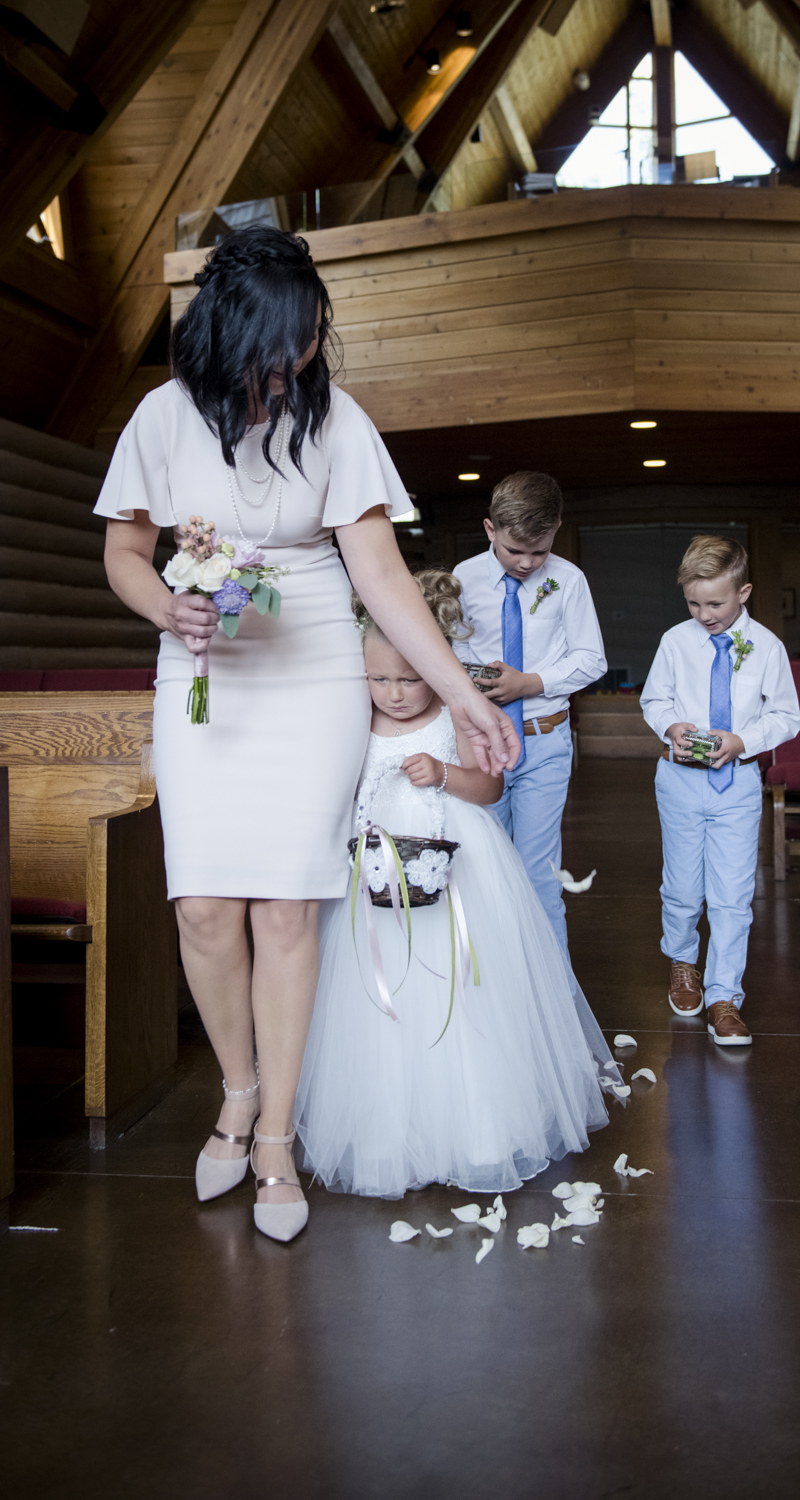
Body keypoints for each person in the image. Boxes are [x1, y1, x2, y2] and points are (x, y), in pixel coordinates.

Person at [95, 227, 517, 1243]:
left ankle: (277, 1131)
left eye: (312, 342)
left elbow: (377, 572)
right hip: (204, 673)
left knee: (286, 910)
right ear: (232, 334)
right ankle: (234, 1090)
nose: (301, 363)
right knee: (202, 906)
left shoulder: (334, 418)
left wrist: (464, 696)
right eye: (286, 346)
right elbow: (124, 550)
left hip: (313, 663)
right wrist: (166, 608)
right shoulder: (160, 418)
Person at [295, 572, 622, 1198]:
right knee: (378, 1000)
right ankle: (388, 1133)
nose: (393, 694)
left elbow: (491, 786)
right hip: (374, 884)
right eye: (379, 680)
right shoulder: (354, 718)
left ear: (434, 664)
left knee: (461, 992)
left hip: (456, 873)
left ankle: (476, 1129)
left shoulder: (457, 712)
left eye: (409, 678)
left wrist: (444, 772)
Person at [639, 535, 800, 1047]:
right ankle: (683, 961)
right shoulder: (674, 642)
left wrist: (744, 739)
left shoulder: (768, 647)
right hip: (680, 780)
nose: (703, 614)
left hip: (738, 784)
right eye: (693, 602)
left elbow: (787, 717)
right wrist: (671, 726)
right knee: (683, 888)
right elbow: (653, 698)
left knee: (732, 896)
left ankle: (725, 994)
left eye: (715, 603)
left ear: (744, 592)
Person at [453, 473, 606, 953]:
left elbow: (591, 659)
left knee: (540, 872)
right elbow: (447, 654)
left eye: (538, 552)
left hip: (545, 740)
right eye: (514, 551)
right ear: (489, 529)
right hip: (482, 741)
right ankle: (492, 988)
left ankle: (552, 999)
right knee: (482, 866)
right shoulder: (463, 578)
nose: (526, 563)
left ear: (557, 528)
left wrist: (530, 683)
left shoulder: (569, 580)